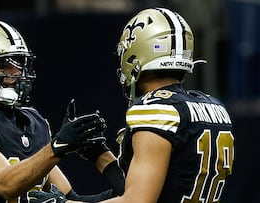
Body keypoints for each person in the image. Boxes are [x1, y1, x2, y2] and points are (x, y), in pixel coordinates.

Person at [28, 7, 235, 203]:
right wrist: (98, 154)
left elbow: (137, 200)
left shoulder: (156, 109)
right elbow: (153, 186)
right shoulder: (213, 107)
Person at [0, 19, 124, 203]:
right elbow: (5, 185)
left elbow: (74, 199)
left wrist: (100, 157)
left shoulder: (32, 120)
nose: (16, 74)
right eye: (3, 66)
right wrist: (58, 147)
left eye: (19, 64)